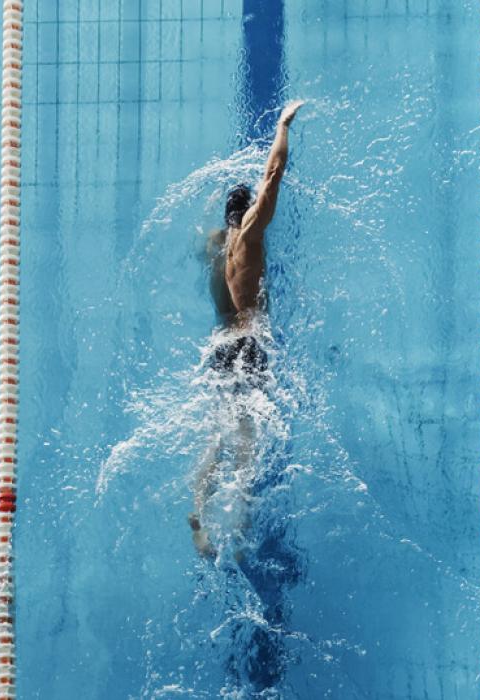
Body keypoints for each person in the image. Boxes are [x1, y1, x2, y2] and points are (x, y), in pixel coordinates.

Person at [189, 100, 304, 559]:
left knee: (217, 433)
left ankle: (199, 512)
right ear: (248, 212)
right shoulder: (251, 236)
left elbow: (211, 228)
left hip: (219, 345)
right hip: (249, 346)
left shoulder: (215, 245)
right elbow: (272, 176)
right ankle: (238, 531)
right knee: (248, 441)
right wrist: (282, 126)